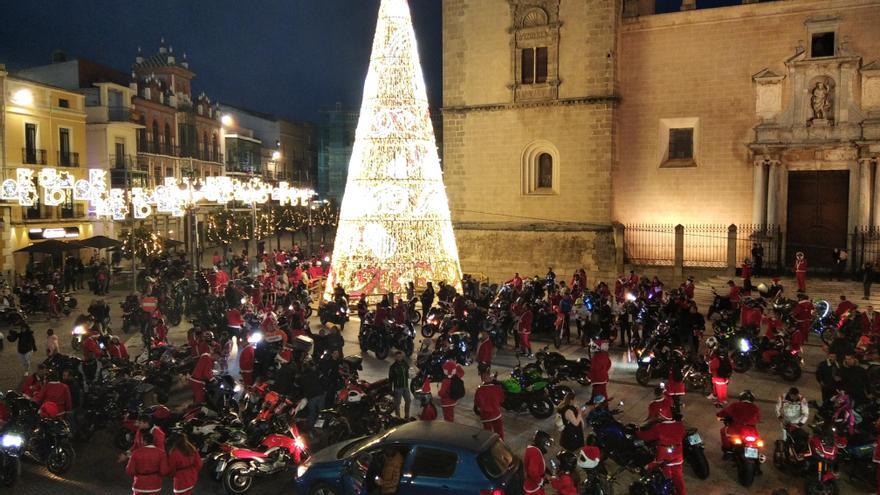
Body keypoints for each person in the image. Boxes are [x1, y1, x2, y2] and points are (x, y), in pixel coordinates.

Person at [637, 412, 687, 495]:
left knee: (666, 476)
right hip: (678, 455)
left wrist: (637, 432)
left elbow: (646, 437)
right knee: (678, 477)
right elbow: (683, 434)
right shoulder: (679, 425)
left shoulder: (659, 427)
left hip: (664, 457)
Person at [125, 431, 167, 495]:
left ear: (143, 441)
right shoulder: (161, 453)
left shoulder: (136, 453)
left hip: (139, 484)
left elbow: (130, 471)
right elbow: (164, 471)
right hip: (154, 485)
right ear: (153, 441)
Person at [776, 387, 810, 457]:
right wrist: (780, 418)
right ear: (790, 394)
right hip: (786, 422)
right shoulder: (782, 397)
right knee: (785, 437)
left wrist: (800, 424)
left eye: (796, 396)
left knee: (795, 438)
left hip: (796, 423)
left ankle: (794, 452)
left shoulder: (801, 399)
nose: (795, 398)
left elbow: (806, 413)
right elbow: (777, 409)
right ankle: (786, 451)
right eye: (793, 396)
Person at [474, 365, 505, 438]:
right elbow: (502, 399)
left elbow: (477, 403)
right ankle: (501, 445)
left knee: (487, 433)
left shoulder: (479, 391)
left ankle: (489, 445)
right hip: (496, 413)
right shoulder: (497, 388)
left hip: (486, 415)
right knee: (499, 431)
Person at [524, 430, 552, 495]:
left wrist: (547, 472)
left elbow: (538, 465)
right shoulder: (535, 453)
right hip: (534, 488)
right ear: (542, 443)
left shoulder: (534, 450)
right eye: (546, 445)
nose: (547, 447)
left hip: (532, 484)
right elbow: (532, 471)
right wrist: (540, 481)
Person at [707, 338, 733, 406]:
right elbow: (732, 366)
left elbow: (712, 367)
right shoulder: (728, 359)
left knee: (719, 390)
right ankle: (723, 399)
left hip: (717, 377)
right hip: (725, 377)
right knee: (723, 389)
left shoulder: (716, 360)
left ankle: (720, 401)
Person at [388, 351, 411, 418]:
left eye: (401, 356)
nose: (399, 358)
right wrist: (390, 389)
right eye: (398, 357)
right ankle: (398, 417)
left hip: (405, 387)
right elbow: (390, 379)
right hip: (398, 388)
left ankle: (407, 415)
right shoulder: (393, 367)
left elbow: (408, 373)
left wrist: (411, 374)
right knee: (397, 404)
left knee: (408, 401)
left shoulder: (405, 364)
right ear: (395, 357)